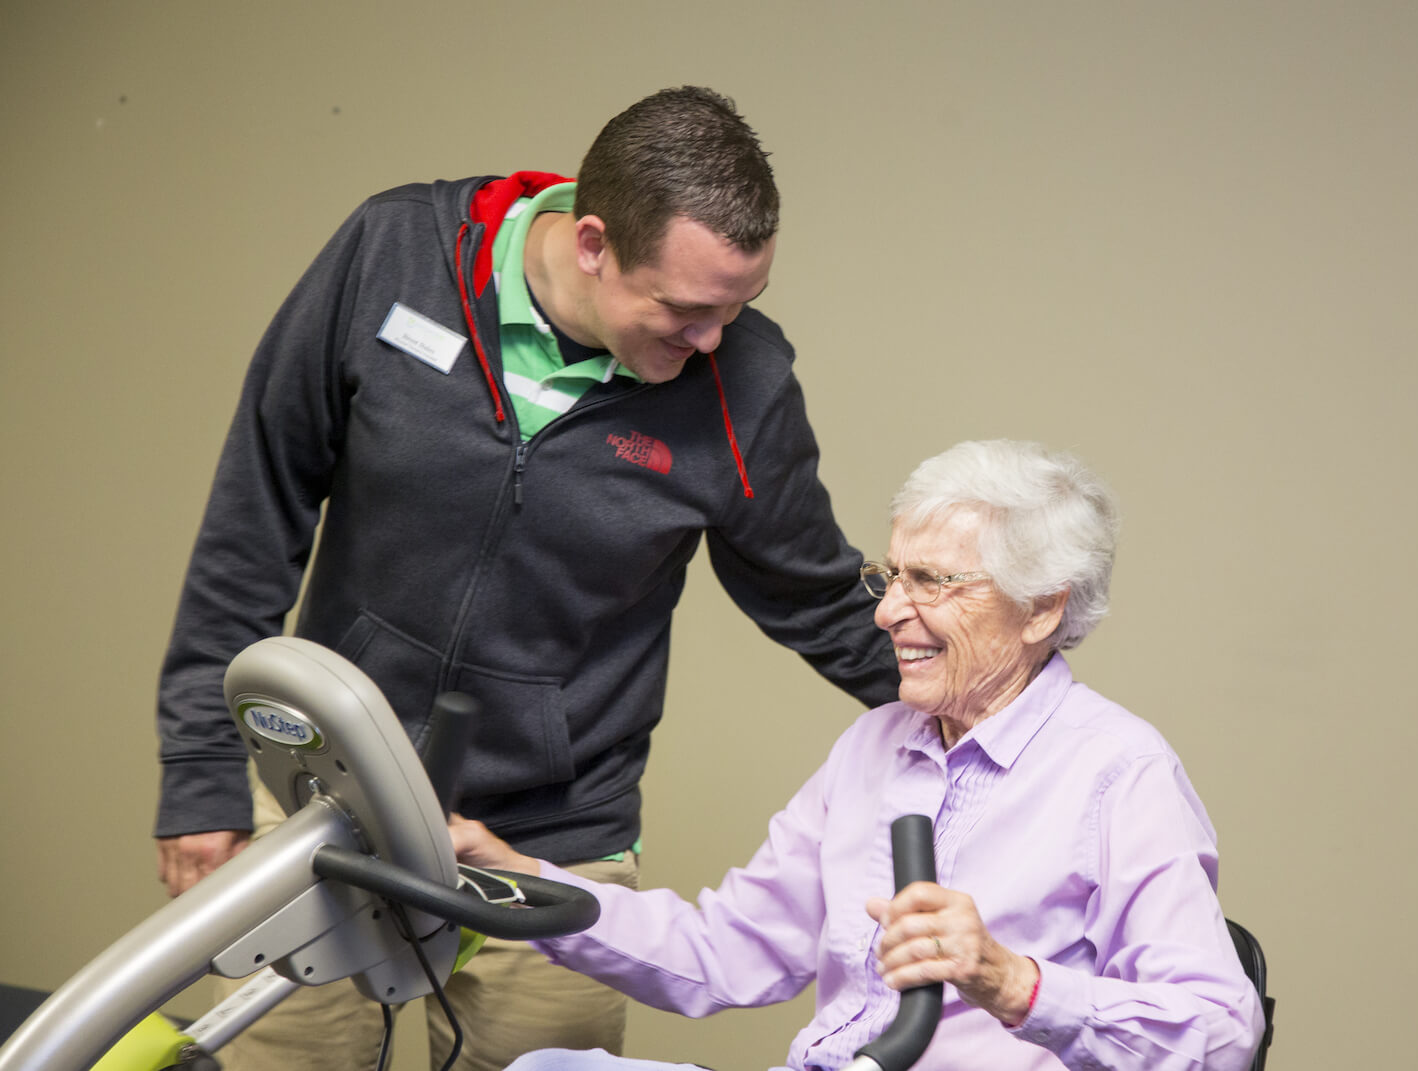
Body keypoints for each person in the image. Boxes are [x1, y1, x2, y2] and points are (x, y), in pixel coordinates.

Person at [153, 86, 898, 1070]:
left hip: (558, 838)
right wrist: (201, 774)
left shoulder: (741, 380)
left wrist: (1018, 718)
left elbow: (815, 597)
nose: (714, 342)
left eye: (738, 310)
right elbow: (254, 515)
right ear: (592, 242)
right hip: (321, 802)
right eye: (683, 311)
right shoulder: (395, 256)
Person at [450, 439, 1267, 1071]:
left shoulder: (1119, 770)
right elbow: (724, 951)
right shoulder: (874, 745)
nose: (888, 615)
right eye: (890, 576)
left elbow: (1223, 1035)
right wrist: (512, 877)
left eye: (933, 582)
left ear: (1041, 609)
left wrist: (1009, 979)